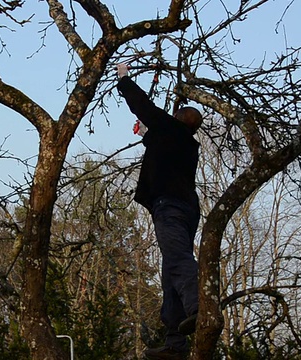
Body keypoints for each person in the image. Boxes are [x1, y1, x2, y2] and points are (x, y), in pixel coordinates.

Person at [116, 63, 202, 360]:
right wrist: (148, 133)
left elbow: (143, 106)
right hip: (186, 208)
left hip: (170, 206)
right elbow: (160, 143)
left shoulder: (170, 129)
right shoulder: (188, 144)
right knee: (170, 274)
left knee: (178, 261)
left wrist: (124, 79)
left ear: (176, 120)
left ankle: (199, 308)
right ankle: (175, 342)